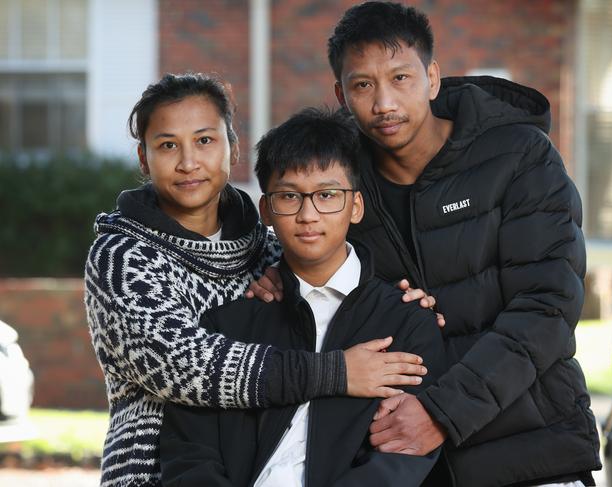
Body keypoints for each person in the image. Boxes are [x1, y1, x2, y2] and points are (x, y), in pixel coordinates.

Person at [254, 2, 602, 485]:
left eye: (401, 78)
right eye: (362, 85)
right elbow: (300, 225)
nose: (384, 104)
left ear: (433, 78)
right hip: (407, 465)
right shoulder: (347, 186)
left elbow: (548, 307)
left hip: (531, 448)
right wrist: (277, 267)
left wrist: (442, 412)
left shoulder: (520, 156)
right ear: (341, 95)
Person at [84, 73, 432, 487]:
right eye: (167, 145)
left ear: (232, 147)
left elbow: (324, 278)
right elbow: (190, 366)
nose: (189, 162)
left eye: (205, 140)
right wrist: (337, 372)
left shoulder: (267, 248)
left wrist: (407, 301)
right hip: (149, 474)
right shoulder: (122, 258)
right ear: (144, 159)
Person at [159, 107, 446, 487]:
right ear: (267, 210)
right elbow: (189, 454)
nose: (308, 214)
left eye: (327, 195)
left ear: (355, 206)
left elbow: (399, 462)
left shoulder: (407, 321)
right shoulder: (227, 326)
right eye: (290, 196)